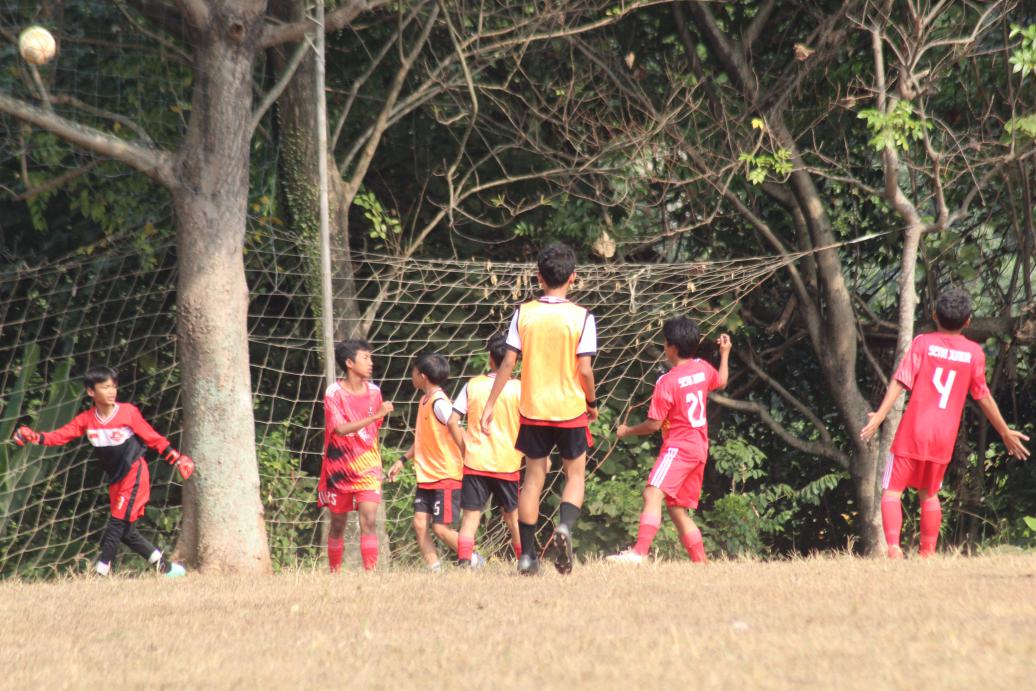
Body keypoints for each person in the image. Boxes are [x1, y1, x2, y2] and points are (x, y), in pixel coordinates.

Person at [860, 287, 1030, 558]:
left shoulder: (923, 343)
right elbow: (983, 395)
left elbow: (901, 380)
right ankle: (927, 553)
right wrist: (1004, 431)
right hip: (943, 437)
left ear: (934, 315)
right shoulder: (974, 353)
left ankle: (893, 547)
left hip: (913, 431)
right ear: (968, 321)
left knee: (892, 492)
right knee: (929, 494)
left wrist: (880, 415)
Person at [481, 242, 598, 575]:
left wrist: (490, 404)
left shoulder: (524, 313)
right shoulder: (582, 317)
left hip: (533, 409)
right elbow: (585, 370)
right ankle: (564, 527)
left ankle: (528, 556)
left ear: (538, 278)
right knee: (574, 475)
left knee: (533, 479)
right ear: (573, 277)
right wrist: (591, 402)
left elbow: (508, 363)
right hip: (570, 409)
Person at [12, 365, 193, 577]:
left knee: (116, 522)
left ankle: (100, 574)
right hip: (116, 479)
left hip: (134, 472)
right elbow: (60, 436)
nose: (112, 391)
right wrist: (34, 436)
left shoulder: (128, 412)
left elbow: (153, 438)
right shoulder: (86, 420)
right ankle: (166, 569)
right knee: (126, 532)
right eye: (105, 387)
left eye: (114, 386)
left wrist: (177, 458)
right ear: (91, 391)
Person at [607, 317, 730, 564]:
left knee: (652, 493)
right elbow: (722, 381)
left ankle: (639, 553)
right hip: (699, 448)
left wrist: (627, 431)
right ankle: (701, 563)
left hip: (679, 447)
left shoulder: (667, 381)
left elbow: (653, 425)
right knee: (676, 509)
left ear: (671, 347)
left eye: (664, 342)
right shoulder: (702, 368)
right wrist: (725, 353)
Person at [448, 333, 523, 567]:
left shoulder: (473, 385)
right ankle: (524, 559)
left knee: (470, 517)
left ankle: (464, 561)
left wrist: (465, 448)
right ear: (514, 361)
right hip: (507, 462)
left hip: (476, 461)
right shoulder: (520, 389)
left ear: (490, 358)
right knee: (513, 517)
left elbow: (452, 421)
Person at [318, 339, 393, 572]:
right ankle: (335, 573)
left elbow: (373, 430)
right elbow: (339, 429)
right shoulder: (334, 393)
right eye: (365, 358)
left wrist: (374, 419)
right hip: (339, 467)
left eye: (371, 358)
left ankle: (370, 574)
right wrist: (374, 416)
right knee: (338, 524)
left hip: (368, 466)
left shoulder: (375, 392)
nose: (371, 363)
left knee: (368, 520)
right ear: (349, 363)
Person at [388, 353, 464, 572]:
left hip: (445, 475)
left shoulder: (440, 403)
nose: (411, 375)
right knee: (420, 524)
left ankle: (475, 558)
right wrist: (403, 459)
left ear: (422, 376)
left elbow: (458, 429)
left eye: (413, 371)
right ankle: (435, 570)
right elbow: (423, 439)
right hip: (428, 476)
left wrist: (468, 457)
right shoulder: (424, 401)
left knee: (440, 528)